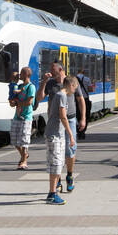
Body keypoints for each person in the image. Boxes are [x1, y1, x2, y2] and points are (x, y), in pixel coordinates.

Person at [42, 68, 73, 205]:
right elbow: (63, 116)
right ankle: (52, 194)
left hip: (57, 134)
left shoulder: (61, 95)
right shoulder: (62, 96)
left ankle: (52, 192)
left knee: (57, 164)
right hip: (55, 135)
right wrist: (71, 135)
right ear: (71, 85)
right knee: (55, 164)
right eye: (75, 88)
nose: (75, 91)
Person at [62, 73, 86, 192]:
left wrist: (83, 118)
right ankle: (56, 180)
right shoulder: (55, 88)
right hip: (59, 121)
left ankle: (69, 175)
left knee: (70, 149)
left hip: (70, 119)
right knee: (57, 151)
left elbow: (81, 99)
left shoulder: (72, 83)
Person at [10, 66, 36, 170]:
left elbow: (29, 102)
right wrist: (12, 102)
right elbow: (13, 100)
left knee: (24, 139)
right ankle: (24, 155)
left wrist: (17, 102)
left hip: (26, 117)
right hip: (17, 116)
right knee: (14, 140)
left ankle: (24, 161)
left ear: (26, 74)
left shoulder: (31, 87)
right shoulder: (19, 86)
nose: (19, 75)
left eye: (21, 73)